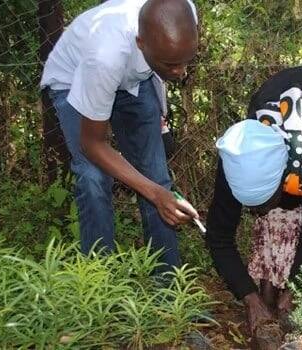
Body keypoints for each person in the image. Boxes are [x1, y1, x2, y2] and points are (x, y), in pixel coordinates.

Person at [40, 0, 200, 272]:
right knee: (93, 177)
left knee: (156, 176)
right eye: (171, 64)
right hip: (73, 80)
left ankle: (170, 290)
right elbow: (92, 144)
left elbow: (168, 60)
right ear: (141, 43)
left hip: (133, 79)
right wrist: (155, 194)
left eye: (186, 61)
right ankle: (100, 287)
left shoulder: (184, 10)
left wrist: (157, 187)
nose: (181, 72)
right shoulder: (105, 56)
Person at [206, 61, 302, 334]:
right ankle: (268, 286)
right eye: (252, 208)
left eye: (266, 202)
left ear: (284, 176)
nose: (258, 213)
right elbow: (218, 237)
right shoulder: (236, 159)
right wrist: (248, 297)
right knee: (277, 219)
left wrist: (294, 288)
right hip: (278, 102)